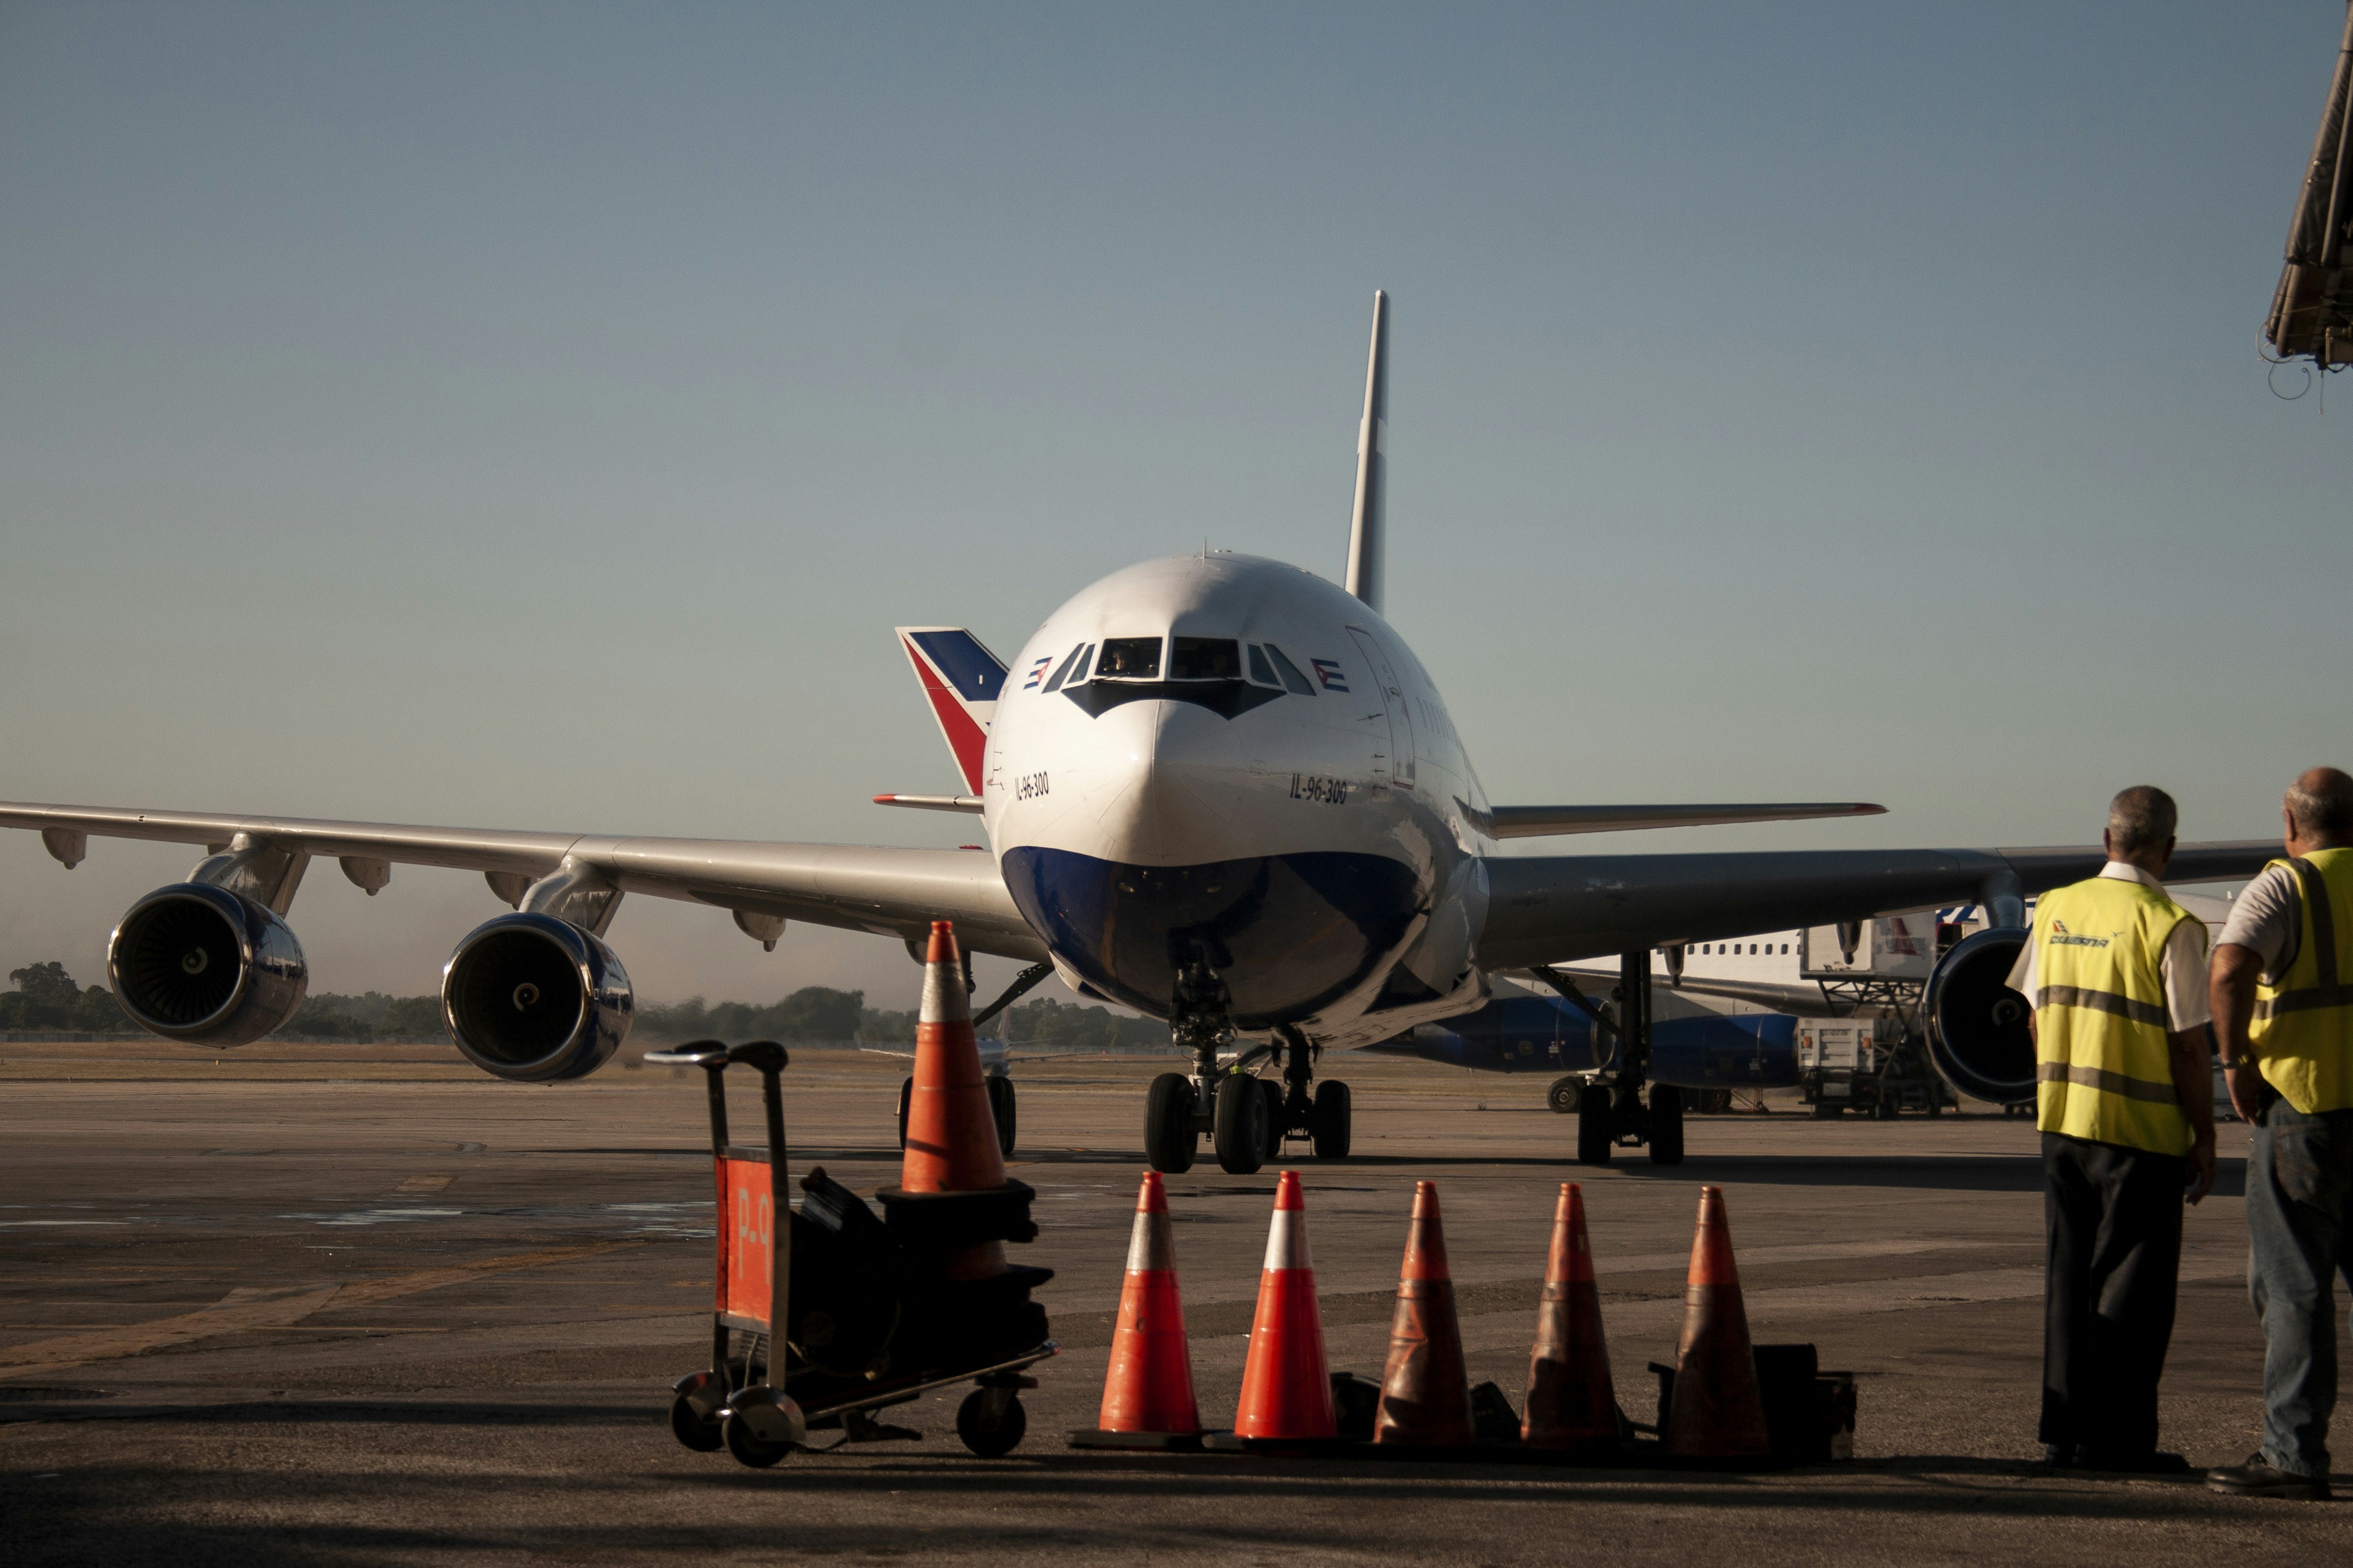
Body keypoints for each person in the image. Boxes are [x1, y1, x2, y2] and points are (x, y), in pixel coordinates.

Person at [2005, 785, 2216, 1471]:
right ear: (2169, 849)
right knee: (2131, 1287)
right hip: (2139, 1130)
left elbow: (2036, 1014)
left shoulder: (2056, 907)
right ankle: (2115, 1440)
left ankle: (2060, 1432)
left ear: (2105, 840)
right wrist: (2203, 1133)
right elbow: (2188, 1045)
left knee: (2066, 1277)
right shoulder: (2171, 924)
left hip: (2061, 1122)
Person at [2205, 766, 2353, 1502]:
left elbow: (2229, 966)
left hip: (2304, 1109)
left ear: (2290, 824)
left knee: (2292, 1285)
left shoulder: (2285, 885)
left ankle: (2292, 1453)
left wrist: (2233, 1061)